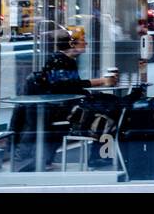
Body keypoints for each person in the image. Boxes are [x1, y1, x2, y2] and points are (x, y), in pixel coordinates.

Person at [12, 27, 118, 171]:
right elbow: (67, 87)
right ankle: (98, 156)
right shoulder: (59, 61)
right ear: (72, 44)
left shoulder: (65, 60)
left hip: (64, 106)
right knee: (109, 112)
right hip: (61, 110)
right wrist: (101, 81)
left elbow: (72, 87)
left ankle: (100, 155)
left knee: (112, 105)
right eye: (82, 41)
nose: (86, 44)